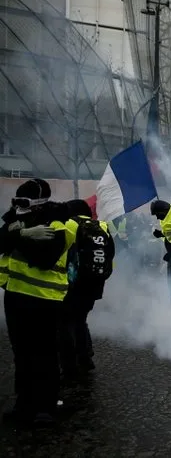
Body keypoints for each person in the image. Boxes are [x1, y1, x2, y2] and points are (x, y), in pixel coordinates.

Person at [0, 179, 74, 426]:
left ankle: (46, 406)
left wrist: (16, 237)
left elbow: (44, 258)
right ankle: (24, 404)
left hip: (45, 299)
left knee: (44, 354)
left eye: (23, 202)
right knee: (21, 355)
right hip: (16, 296)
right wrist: (21, 233)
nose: (18, 206)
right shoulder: (15, 219)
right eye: (15, 201)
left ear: (39, 202)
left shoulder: (57, 222)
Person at [59, 199, 115, 382]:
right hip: (96, 282)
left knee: (67, 322)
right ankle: (86, 356)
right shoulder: (103, 226)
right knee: (81, 319)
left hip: (74, 282)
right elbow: (111, 253)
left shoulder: (70, 224)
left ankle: (70, 365)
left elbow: (60, 250)